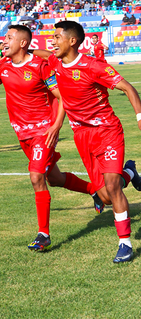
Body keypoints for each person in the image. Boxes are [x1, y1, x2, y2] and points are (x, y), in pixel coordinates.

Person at [0, 24, 104, 251]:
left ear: (22, 43)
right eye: (4, 37)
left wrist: (57, 125)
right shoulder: (2, 66)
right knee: (54, 179)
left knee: (36, 176)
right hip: (22, 135)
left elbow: (63, 97)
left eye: (9, 37)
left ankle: (43, 234)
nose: (4, 41)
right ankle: (94, 191)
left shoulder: (40, 66)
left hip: (43, 132)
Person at [33, 20, 141, 263]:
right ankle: (130, 173)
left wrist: (139, 115)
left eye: (58, 36)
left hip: (107, 132)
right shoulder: (55, 62)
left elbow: (127, 88)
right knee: (104, 196)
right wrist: (24, 51)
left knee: (112, 188)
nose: (53, 41)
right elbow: (44, 54)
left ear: (72, 41)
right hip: (82, 136)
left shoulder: (94, 66)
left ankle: (124, 243)